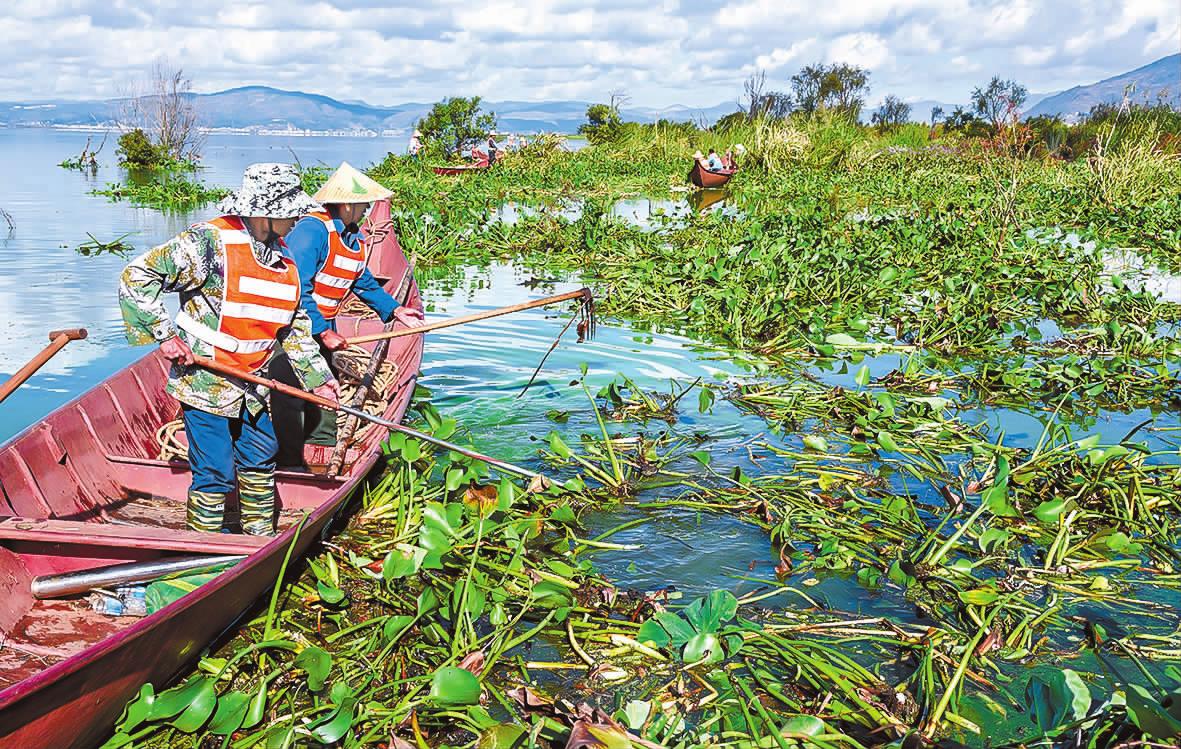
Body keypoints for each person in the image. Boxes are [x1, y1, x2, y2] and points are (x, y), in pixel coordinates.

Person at [119, 163, 337, 536]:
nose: (297, 221)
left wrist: (319, 380)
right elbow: (136, 277)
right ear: (265, 213)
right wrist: (165, 335)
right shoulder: (209, 243)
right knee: (215, 469)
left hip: (252, 382)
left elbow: (295, 326)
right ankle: (202, 549)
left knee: (260, 453)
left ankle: (258, 540)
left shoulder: (283, 259)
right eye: (290, 214)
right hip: (205, 380)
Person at [271, 162, 424, 466]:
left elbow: (361, 280)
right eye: (363, 203)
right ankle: (289, 463)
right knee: (290, 393)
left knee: (327, 387)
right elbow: (296, 286)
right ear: (346, 204)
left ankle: (323, 448)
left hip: (323, 326)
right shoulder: (313, 231)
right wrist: (321, 330)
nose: (367, 208)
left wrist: (395, 310)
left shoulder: (352, 237)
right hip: (293, 328)